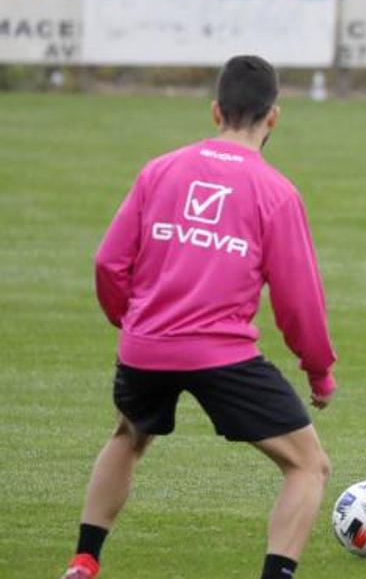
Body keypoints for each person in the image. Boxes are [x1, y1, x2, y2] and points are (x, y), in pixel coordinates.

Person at [62, 56, 337, 579]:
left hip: (146, 345)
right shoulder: (276, 192)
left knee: (129, 434)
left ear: (215, 111)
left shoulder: (159, 170)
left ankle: (83, 560)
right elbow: (299, 300)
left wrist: (132, 321)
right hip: (222, 354)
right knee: (308, 465)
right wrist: (318, 370)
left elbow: (108, 262)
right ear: (272, 117)